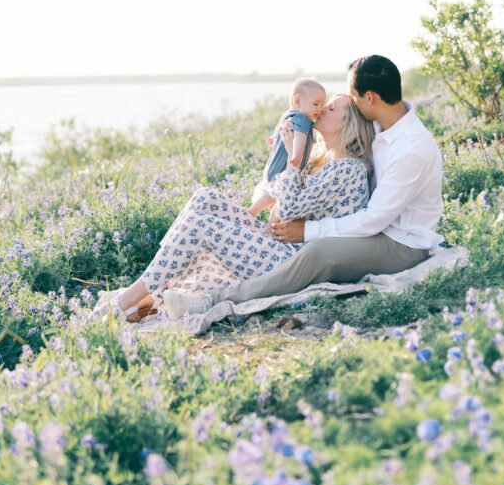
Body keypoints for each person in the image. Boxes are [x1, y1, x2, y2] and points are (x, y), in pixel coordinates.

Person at [164, 55, 443, 319]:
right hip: (376, 227)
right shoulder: (383, 126)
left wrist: (307, 231)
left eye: (354, 97)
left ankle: (216, 300)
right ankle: (163, 287)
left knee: (319, 252)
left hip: (400, 242)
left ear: (370, 97)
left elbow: (373, 220)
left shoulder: (410, 149)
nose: (352, 106)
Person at [89, 93, 373, 322]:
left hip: (291, 262)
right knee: (205, 198)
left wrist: (292, 161)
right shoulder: (320, 158)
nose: (321, 110)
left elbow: (288, 208)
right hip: (277, 242)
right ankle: (155, 283)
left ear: (348, 125)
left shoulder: (348, 169)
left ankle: (129, 299)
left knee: (199, 226)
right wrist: (248, 215)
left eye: (332, 109)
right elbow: (277, 195)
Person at [247, 77, 326, 221]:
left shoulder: (288, 114)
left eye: (322, 105)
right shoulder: (303, 119)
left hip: (273, 166)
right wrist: (296, 155)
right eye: (316, 104)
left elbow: (279, 127)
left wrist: (273, 137)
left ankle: (260, 218)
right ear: (297, 101)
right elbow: (300, 138)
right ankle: (254, 214)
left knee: (275, 199)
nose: (320, 109)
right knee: (277, 197)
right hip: (284, 169)